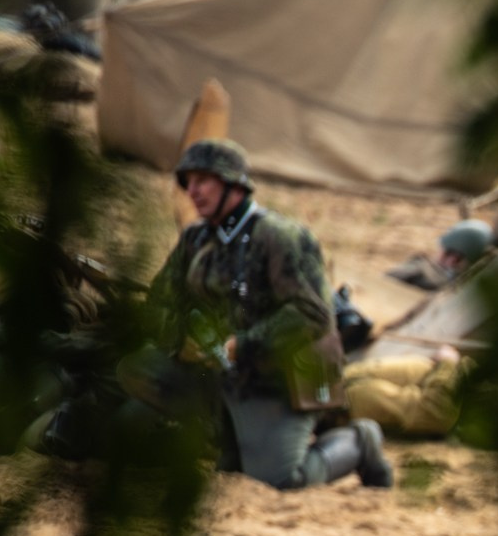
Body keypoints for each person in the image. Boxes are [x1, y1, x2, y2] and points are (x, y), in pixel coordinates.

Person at [149, 139, 390, 490]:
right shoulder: (196, 240)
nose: (193, 191)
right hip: (222, 380)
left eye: (203, 180)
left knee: (281, 480)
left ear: (232, 184)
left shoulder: (279, 237)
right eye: (188, 182)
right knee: (229, 471)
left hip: (283, 378)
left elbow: (312, 315)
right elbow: (159, 301)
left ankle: (360, 442)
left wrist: (241, 345)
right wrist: (180, 337)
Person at [386, 218, 496, 291]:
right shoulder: (468, 288)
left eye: (458, 259)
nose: (450, 262)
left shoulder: (419, 270)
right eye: (448, 253)